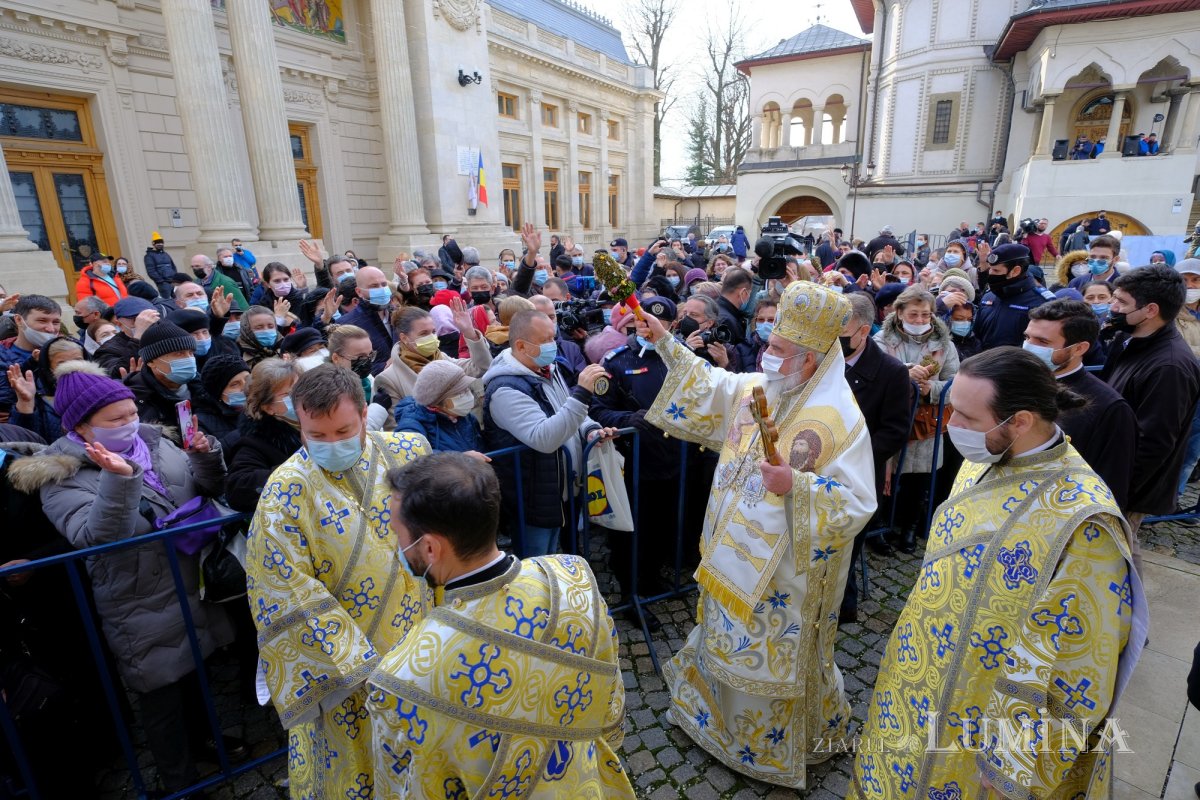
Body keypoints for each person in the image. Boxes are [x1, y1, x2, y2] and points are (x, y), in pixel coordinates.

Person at [848, 346, 1146, 799]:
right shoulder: (984, 456)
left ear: (1020, 421)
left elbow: (1077, 660)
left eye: (965, 417)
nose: (953, 427)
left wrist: (1013, 758)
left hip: (978, 714)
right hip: (919, 672)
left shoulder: (1085, 525)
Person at [637, 281, 876, 790]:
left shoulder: (842, 418)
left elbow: (857, 503)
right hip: (728, 551)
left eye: (779, 351)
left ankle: (770, 747)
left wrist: (798, 486)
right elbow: (709, 384)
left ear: (811, 360)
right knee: (719, 638)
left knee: (766, 656)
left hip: (782, 576)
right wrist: (662, 339)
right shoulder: (759, 388)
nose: (767, 355)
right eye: (767, 345)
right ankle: (714, 722)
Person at [11, 362, 234, 796]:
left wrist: (205, 456)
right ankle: (177, 783)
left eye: (131, 412)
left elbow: (202, 489)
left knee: (197, 674)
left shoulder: (154, 440)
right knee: (161, 690)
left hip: (192, 577)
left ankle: (207, 741)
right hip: (138, 596)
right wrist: (119, 478)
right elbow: (96, 535)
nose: (129, 422)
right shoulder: (59, 476)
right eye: (115, 419)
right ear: (82, 426)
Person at [365, 453, 633, 798]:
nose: (397, 545)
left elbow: (409, 786)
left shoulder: (401, 678)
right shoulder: (573, 576)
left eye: (396, 533)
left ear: (429, 546)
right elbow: (609, 698)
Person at [245, 364, 431, 798]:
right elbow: (283, 587)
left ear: (365, 414)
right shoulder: (284, 492)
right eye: (317, 435)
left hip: (426, 639)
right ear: (299, 423)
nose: (331, 444)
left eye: (344, 430)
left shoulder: (407, 451)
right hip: (351, 669)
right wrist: (360, 668)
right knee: (359, 766)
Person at [482, 310, 615, 557]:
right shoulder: (505, 390)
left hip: (561, 486)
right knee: (538, 562)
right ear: (521, 345)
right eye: (545, 340)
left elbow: (567, 410)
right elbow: (544, 438)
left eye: (553, 337)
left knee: (564, 555)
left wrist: (590, 429)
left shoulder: (546, 368)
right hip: (533, 495)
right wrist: (583, 393)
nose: (553, 345)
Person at [1102, 265, 1200, 558]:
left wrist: (1114, 493)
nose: (1113, 307)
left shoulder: (1169, 367)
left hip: (1123, 491)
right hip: (1107, 472)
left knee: (1111, 560)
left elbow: (1154, 443)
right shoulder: (1128, 338)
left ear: (1150, 310)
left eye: (1121, 302)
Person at [839, 293, 912, 615]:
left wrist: (849, 458)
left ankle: (840, 610)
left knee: (844, 551)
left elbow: (895, 432)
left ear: (864, 331)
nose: (832, 340)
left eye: (841, 333)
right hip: (814, 470)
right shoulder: (821, 358)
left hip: (857, 477)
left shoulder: (891, 372)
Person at [1024, 299, 1136, 508]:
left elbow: (1111, 485)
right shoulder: (1012, 380)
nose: (1029, 346)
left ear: (1079, 348)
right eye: (1027, 337)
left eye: (1042, 342)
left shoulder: (1109, 408)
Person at [873, 286, 959, 552]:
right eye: (914, 314)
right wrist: (904, 377)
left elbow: (956, 383)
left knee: (918, 481)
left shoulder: (945, 344)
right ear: (898, 313)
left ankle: (909, 529)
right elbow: (874, 375)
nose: (921, 321)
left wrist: (930, 389)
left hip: (925, 424)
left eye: (926, 315)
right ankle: (878, 528)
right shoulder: (881, 341)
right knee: (882, 478)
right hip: (889, 419)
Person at [376, 300, 492, 409]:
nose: (431, 337)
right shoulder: (388, 379)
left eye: (433, 332)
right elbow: (394, 426)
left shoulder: (442, 358)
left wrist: (469, 331)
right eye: (424, 333)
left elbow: (482, 367)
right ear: (404, 338)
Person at [223, 358, 302, 512]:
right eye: (289, 394)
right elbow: (237, 489)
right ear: (268, 407)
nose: (300, 396)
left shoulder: (318, 420)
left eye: (301, 388)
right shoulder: (256, 443)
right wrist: (299, 470)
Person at [123, 320, 201, 438]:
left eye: (191, 353)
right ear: (151, 362)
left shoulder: (204, 387)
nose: (189, 359)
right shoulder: (137, 403)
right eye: (179, 353)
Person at [393, 359, 487, 456]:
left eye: (467, 389)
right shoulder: (412, 424)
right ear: (437, 401)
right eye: (460, 393)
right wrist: (462, 459)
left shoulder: (465, 417)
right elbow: (411, 456)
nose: (468, 395)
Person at [975, 242, 1056, 350]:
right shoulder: (989, 296)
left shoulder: (1041, 303)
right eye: (990, 269)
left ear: (1015, 271)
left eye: (996, 270)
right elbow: (977, 336)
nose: (990, 273)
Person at [5, 336, 86, 442]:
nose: (72, 368)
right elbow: (23, 441)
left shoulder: (101, 388)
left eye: (78, 361)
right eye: (62, 364)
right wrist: (25, 403)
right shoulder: (37, 394)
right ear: (48, 367)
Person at [0, 295, 63, 421]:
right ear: (18, 320)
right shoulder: (2, 357)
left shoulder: (70, 351)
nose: (50, 329)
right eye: (42, 321)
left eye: (55, 322)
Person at [337, 266, 396, 374]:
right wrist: (387, 367)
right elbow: (350, 367)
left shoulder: (399, 314)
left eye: (384, 284)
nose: (381, 289)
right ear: (359, 292)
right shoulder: (347, 324)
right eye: (374, 286)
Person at [194, 354, 250, 454]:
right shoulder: (202, 423)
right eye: (235, 384)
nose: (245, 387)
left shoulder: (264, 406)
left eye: (247, 379)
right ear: (218, 393)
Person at [93, 297, 159, 378]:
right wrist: (138, 337)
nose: (147, 322)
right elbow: (114, 375)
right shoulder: (107, 350)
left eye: (150, 317)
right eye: (136, 319)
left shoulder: (164, 333)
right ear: (119, 324)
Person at [143, 232, 179, 297]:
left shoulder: (166, 254)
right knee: (167, 300)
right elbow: (151, 270)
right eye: (158, 243)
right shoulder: (149, 256)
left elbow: (173, 266)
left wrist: (175, 278)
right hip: (163, 283)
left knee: (177, 299)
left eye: (161, 243)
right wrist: (161, 281)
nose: (160, 244)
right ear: (153, 244)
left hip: (173, 282)